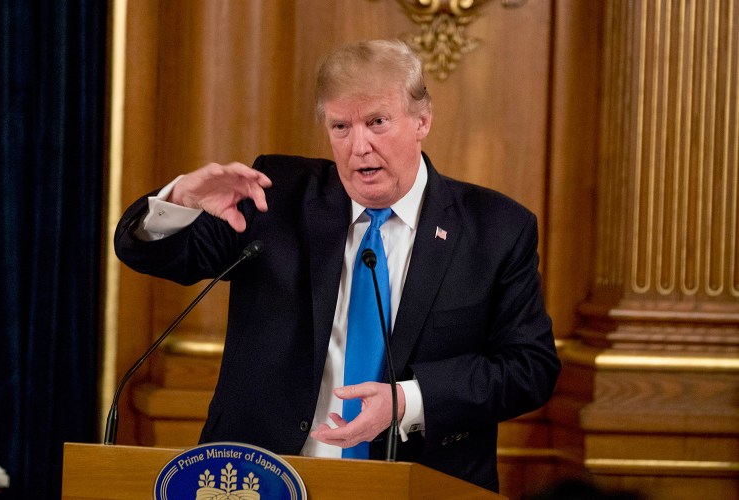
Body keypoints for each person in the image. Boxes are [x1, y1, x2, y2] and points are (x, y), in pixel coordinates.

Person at [114, 39, 560, 492]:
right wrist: (179, 202)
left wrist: (407, 400)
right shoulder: (276, 197)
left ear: (422, 120)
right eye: (340, 126)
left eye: (377, 122)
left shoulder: (496, 229)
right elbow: (155, 253)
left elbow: (530, 368)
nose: (358, 146)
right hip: (262, 479)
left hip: (419, 482)